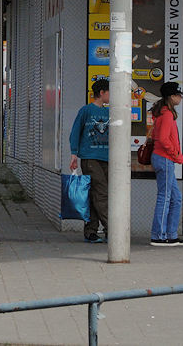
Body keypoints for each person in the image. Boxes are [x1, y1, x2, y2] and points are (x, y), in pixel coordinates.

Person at [69, 79, 110, 244]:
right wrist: (74, 155)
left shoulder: (110, 112)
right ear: (102, 93)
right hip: (90, 157)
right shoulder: (86, 110)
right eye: (109, 92)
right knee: (101, 193)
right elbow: (75, 132)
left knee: (95, 194)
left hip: (107, 158)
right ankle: (112, 229)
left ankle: (91, 231)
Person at [149, 82, 183, 246]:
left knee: (176, 198)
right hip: (164, 158)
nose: (180, 97)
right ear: (171, 96)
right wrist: (176, 155)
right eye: (178, 94)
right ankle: (159, 235)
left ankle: (170, 234)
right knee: (166, 197)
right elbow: (163, 139)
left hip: (164, 158)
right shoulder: (167, 115)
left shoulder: (164, 113)